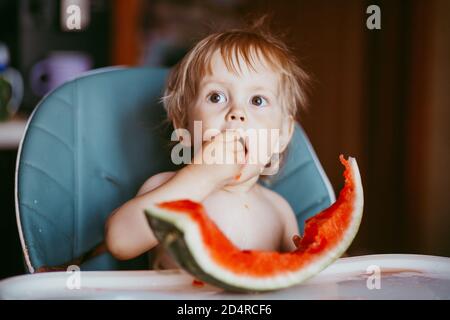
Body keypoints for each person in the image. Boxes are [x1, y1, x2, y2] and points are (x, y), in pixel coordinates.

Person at [105, 20, 311, 269]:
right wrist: (201, 177)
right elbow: (119, 241)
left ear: (283, 134)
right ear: (183, 124)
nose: (236, 112)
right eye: (216, 97)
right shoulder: (164, 187)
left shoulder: (279, 211)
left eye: (257, 100)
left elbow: (301, 276)